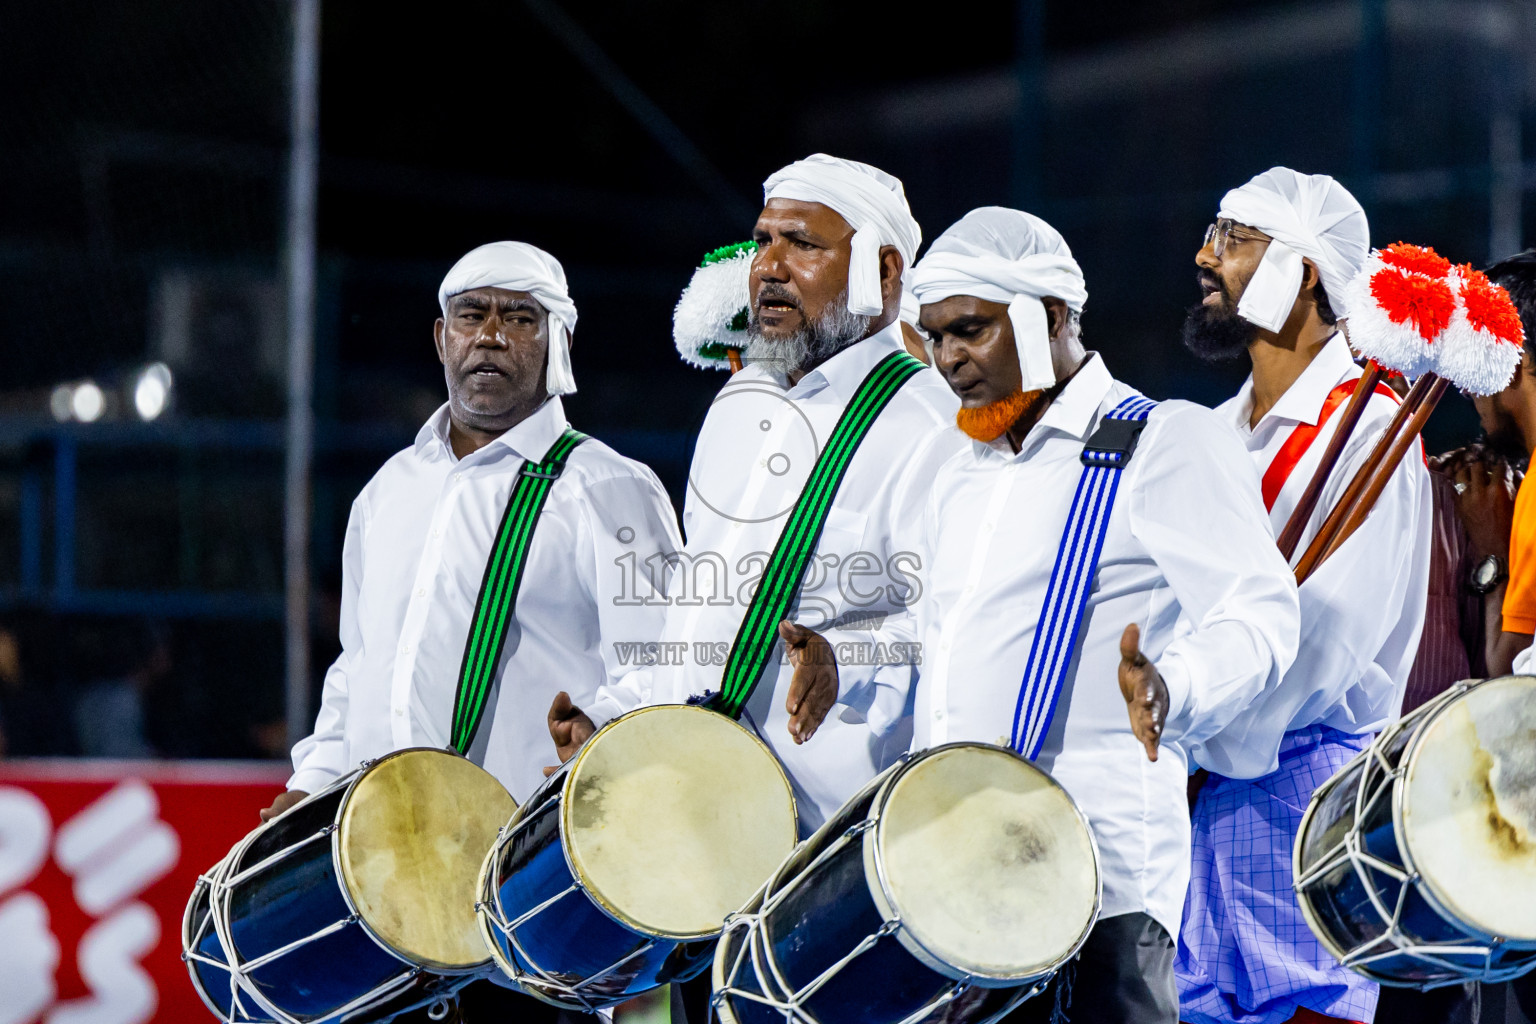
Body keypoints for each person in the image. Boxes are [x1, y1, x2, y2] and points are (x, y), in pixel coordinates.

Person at [785, 206, 1302, 1023]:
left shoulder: (1163, 440)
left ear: (1055, 317)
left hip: (1104, 883)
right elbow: (944, 631)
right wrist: (849, 655)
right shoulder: (960, 474)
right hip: (957, 871)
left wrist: (1179, 685)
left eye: (971, 330)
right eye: (936, 337)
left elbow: (1261, 615)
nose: (949, 359)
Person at [546, 154, 964, 1024]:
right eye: (764, 241)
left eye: (803, 244)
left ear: (883, 272)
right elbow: (699, 606)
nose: (768, 266)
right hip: (701, 842)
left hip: (832, 857)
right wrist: (618, 717)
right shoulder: (739, 408)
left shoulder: (934, 425)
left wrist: (849, 656)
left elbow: (961, 616)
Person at [259, 241, 681, 1023]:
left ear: (557, 343)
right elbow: (359, 668)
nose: (491, 335)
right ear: (440, 338)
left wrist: (603, 735)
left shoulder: (609, 488)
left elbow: (666, 668)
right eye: (471, 316)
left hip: (530, 891)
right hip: (385, 882)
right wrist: (311, 784)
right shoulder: (388, 491)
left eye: (520, 318)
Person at [1175, 168, 1433, 1024]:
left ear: (1307, 271)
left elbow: (1326, 644)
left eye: (1234, 240)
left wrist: (1185, 711)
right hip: (1199, 781)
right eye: (1213, 236)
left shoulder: (1370, 430)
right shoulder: (1209, 433)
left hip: (1300, 782)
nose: (1204, 257)